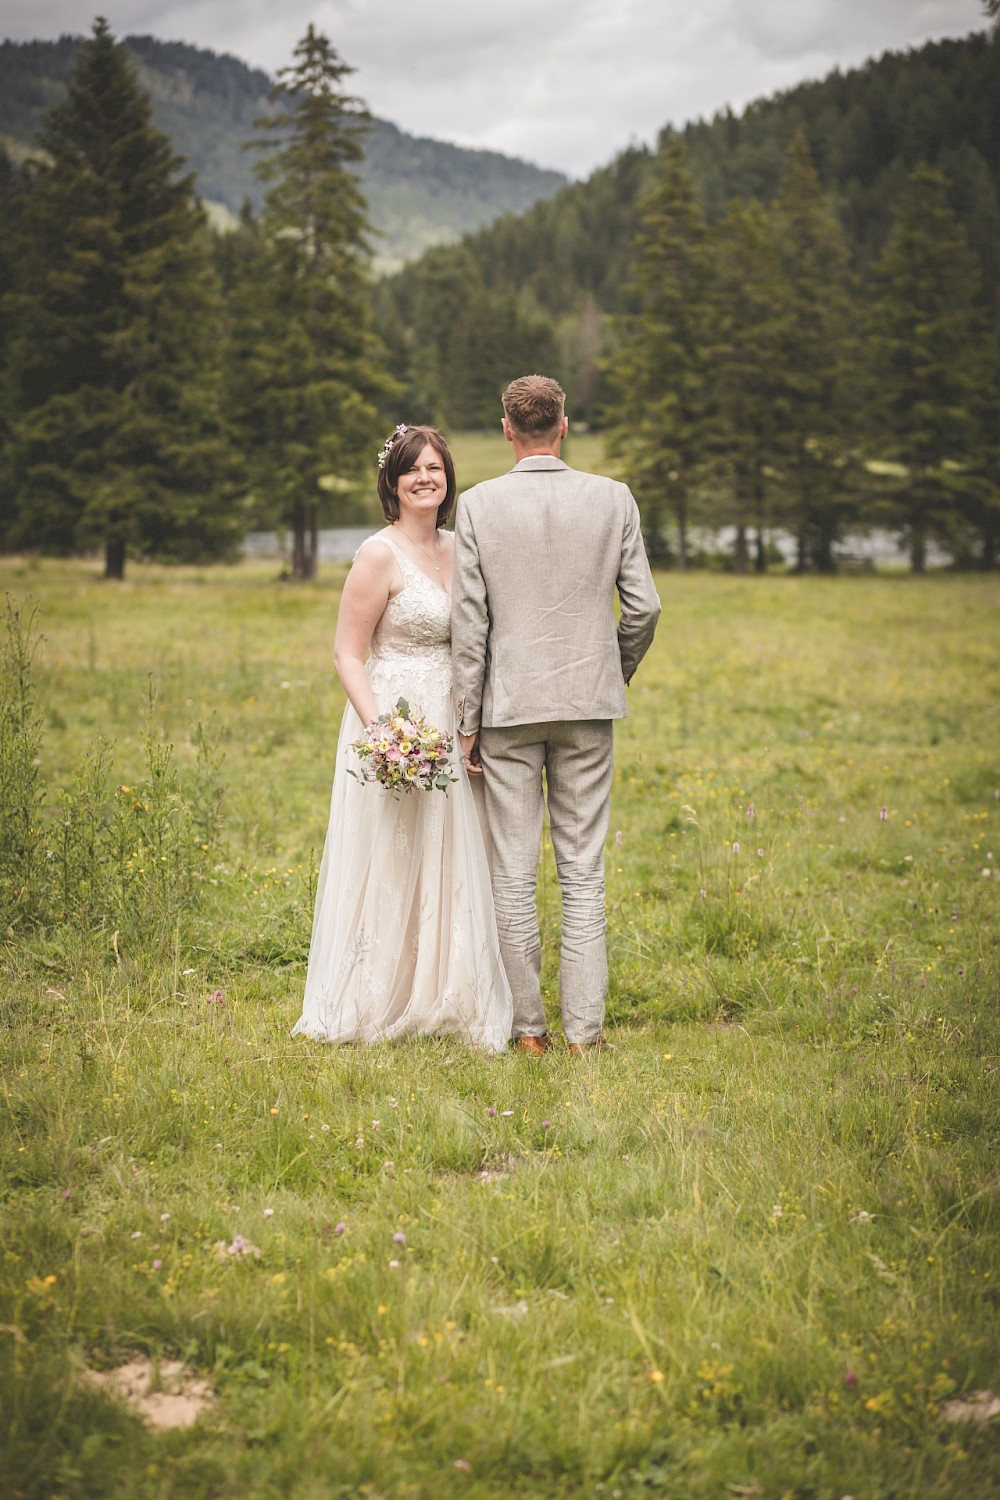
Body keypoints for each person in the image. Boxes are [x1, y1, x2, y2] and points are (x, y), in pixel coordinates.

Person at [451, 375, 660, 1055]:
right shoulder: (613, 499)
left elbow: (469, 624)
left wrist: (466, 718)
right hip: (586, 705)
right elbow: (645, 609)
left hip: (507, 709)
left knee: (512, 871)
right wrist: (612, 669)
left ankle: (528, 1032)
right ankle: (586, 1036)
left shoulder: (478, 508)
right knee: (583, 868)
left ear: (508, 430)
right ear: (563, 425)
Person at [292, 425, 513, 1052]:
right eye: (413, 469)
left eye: (436, 469)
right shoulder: (377, 555)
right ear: (392, 483)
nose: (426, 479)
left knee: (453, 852)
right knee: (394, 852)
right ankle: (376, 994)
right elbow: (346, 654)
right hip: (397, 718)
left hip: (454, 718)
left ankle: (450, 992)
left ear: (448, 480)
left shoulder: (459, 546)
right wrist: (385, 734)